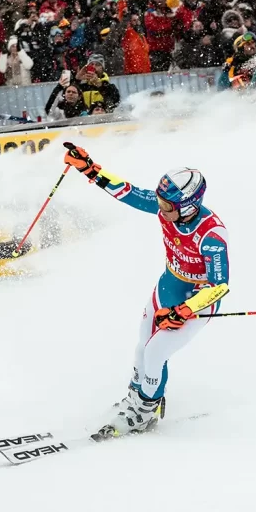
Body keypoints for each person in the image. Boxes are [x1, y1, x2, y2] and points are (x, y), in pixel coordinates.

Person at [61, 142, 230, 439]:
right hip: (169, 284)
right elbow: (129, 193)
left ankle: (145, 412)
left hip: (196, 299)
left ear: (188, 205)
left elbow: (220, 286)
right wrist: (90, 169)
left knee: (155, 352)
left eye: (167, 206)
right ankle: (136, 399)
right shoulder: (169, 207)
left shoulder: (211, 234)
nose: (160, 209)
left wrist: (184, 311)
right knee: (142, 347)